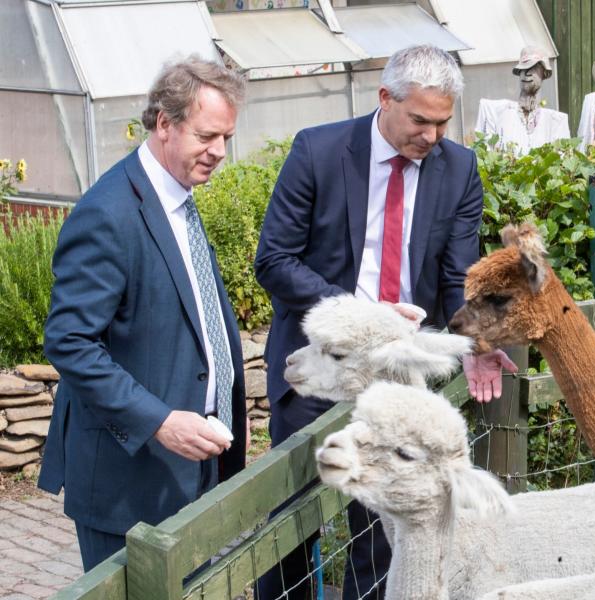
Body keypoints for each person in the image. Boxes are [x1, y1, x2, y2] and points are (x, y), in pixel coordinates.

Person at [254, 44, 517, 600]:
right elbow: (274, 261)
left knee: (380, 531)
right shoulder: (318, 152)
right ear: (384, 98)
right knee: (292, 525)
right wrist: (365, 317)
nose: (432, 136)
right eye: (420, 120)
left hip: (397, 379)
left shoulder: (460, 168)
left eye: (443, 122)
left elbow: (455, 280)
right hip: (319, 367)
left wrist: (478, 341)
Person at [38, 57, 249, 572]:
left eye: (227, 137)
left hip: (193, 465)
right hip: (130, 483)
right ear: (163, 124)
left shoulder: (178, 197)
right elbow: (70, 343)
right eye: (207, 136)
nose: (219, 152)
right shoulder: (106, 213)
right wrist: (157, 422)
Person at [474, 46, 569, 154]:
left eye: (534, 68)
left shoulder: (554, 122)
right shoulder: (498, 113)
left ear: (544, 73)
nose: (526, 73)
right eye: (522, 69)